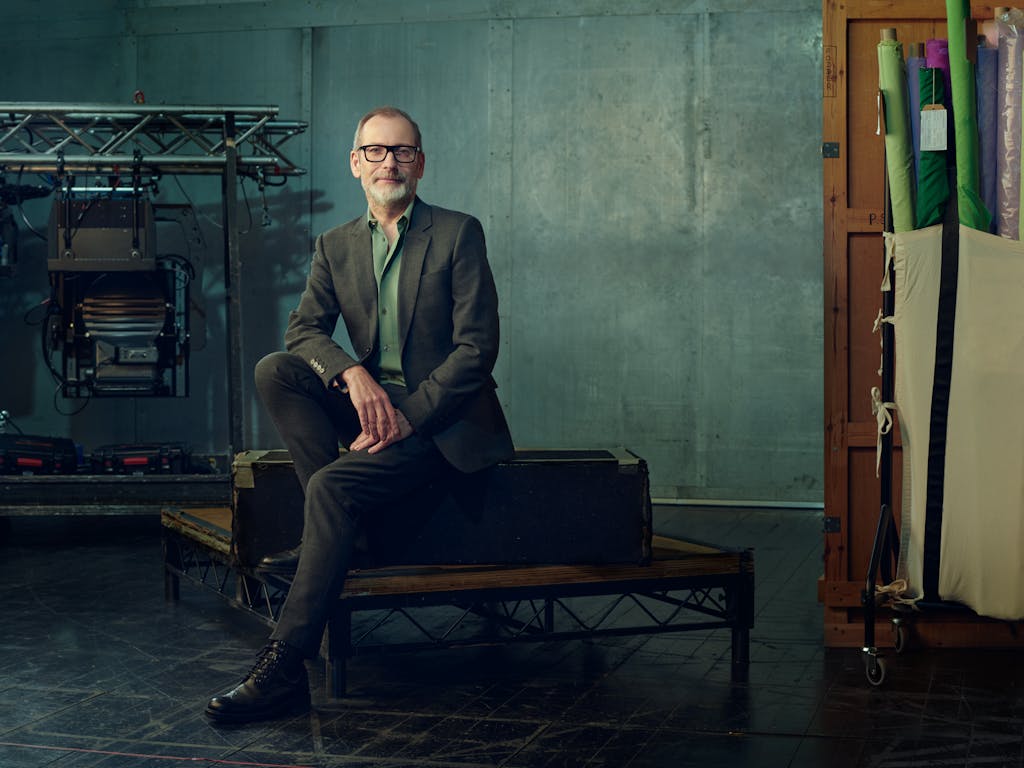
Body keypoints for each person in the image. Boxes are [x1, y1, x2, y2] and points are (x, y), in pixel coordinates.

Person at [205, 106, 514, 724]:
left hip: (441, 421)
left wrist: (409, 415)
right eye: (375, 151)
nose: (389, 162)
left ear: (420, 163)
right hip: (371, 411)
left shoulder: (457, 233)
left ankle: (283, 669)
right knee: (276, 369)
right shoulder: (336, 244)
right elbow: (303, 330)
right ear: (356, 163)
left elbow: (477, 349)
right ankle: (350, 531)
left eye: (402, 151)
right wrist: (352, 374)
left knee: (330, 487)